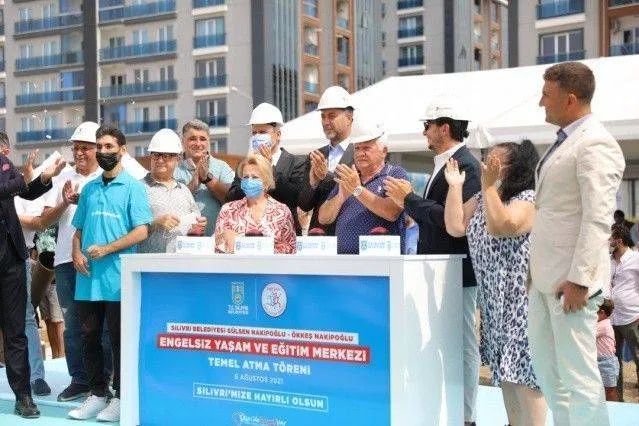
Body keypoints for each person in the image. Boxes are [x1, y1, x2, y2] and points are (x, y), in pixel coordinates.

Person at [528, 61, 625, 426]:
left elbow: (598, 218)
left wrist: (580, 280)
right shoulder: (566, 142)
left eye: (546, 94)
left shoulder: (595, 143)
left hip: (572, 284)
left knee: (579, 380)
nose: (541, 102)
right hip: (545, 281)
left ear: (570, 99)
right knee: (551, 377)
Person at [384, 96, 481, 426]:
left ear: (444, 128)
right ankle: (451, 411)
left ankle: (466, 416)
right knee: (445, 344)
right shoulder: (446, 163)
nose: (424, 132)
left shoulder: (467, 166)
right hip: (439, 271)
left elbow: (454, 221)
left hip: (457, 272)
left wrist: (409, 199)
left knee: (463, 345)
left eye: (427, 125)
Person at [443, 140, 547, 425]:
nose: (485, 165)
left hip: (520, 303)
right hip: (493, 305)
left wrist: (489, 188)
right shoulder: (482, 197)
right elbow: (455, 226)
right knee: (506, 375)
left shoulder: (527, 198)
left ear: (513, 168)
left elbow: (503, 226)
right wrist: (455, 187)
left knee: (525, 376)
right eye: (486, 159)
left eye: (494, 161)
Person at [68, 125, 153, 422]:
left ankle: (120, 397)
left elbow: (142, 230)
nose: (103, 151)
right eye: (100, 146)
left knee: (118, 341)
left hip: (118, 279)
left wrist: (107, 249)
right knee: (89, 337)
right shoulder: (89, 189)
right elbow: (78, 229)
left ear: (122, 150)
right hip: (87, 278)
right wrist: (76, 252)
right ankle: (97, 394)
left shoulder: (133, 187)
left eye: (109, 146)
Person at [39, 121, 113, 402]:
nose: (79, 153)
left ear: (98, 149)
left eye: (86, 148)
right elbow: (45, 219)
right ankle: (80, 380)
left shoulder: (108, 176)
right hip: (65, 261)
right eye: (76, 148)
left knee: (102, 325)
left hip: (99, 260)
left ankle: (104, 382)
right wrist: (64, 202)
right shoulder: (62, 177)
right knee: (72, 324)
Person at [0, 131, 65, 418]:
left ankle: (23, 396)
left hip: (12, 258)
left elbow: (25, 192)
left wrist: (44, 178)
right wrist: (22, 179)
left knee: (16, 331)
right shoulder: (6, 168)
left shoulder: (5, 166)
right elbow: (12, 187)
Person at [318, 117, 407, 254]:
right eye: (357, 148)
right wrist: (340, 197)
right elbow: (323, 218)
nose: (360, 153)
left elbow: (391, 212)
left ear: (384, 151)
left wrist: (357, 190)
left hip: (381, 262)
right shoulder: (349, 178)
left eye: (366, 148)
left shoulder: (394, 174)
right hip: (345, 261)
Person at [227, 103, 307, 234]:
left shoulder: (296, 163)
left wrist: (270, 168)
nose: (257, 136)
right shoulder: (245, 165)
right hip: (249, 232)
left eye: (263, 132)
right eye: (254, 133)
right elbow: (232, 198)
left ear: (278, 135)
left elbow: (296, 198)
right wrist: (249, 177)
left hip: (283, 233)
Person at [298, 86, 355, 235]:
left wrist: (325, 176)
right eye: (323, 117)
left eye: (331, 116)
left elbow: (353, 190)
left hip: (348, 234)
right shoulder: (315, 156)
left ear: (349, 118)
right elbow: (304, 205)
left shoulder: (361, 154)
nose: (326, 122)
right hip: (319, 236)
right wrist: (313, 183)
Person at [138, 129, 206, 254]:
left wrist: (197, 227)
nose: (160, 160)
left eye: (166, 156)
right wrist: (155, 223)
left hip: (180, 262)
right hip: (148, 262)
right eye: (156, 155)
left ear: (177, 159)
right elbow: (127, 229)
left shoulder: (184, 190)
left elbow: (195, 228)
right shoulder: (138, 188)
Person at [215, 154, 296, 254]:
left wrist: (251, 245)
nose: (249, 181)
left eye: (255, 177)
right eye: (245, 177)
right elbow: (217, 246)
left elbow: (291, 248)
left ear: (266, 181)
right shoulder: (228, 210)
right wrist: (225, 240)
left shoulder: (282, 211)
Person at [13, 194, 51, 397]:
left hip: (17, 257)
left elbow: (38, 223)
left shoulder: (25, 187)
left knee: (27, 316)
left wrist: (8, 214)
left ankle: (36, 376)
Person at [174, 119, 234, 235]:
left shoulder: (222, 167)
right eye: (192, 139)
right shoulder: (173, 168)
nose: (198, 144)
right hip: (180, 239)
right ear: (182, 141)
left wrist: (207, 179)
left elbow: (232, 200)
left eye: (202, 139)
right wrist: (193, 184)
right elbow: (169, 203)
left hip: (215, 240)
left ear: (208, 142)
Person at [609, 224, 639, 401]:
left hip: (632, 317)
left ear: (619, 239)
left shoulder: (636, 258)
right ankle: (619, 401)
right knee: (613, 361)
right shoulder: (607, 260)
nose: (608, 241)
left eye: (610, 238)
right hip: (611, 318)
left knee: (638, 356)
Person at [596, 299, 620, 402]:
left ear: (602, 313)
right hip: (602, 361)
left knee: (610, 391)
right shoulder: (602, 324)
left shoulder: (603, 325)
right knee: (605, 391)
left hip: (607, 363)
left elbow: (586, 335)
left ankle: (614, 409)